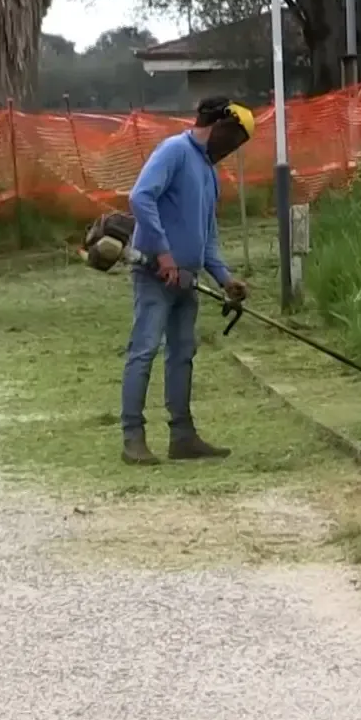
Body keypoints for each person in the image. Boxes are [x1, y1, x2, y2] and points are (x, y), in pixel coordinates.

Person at [119, 96, 254, 465]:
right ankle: (133, 437)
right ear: (220, 126)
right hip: (154, 274)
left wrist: (225, 279)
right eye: (235, 139)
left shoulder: (209, 172)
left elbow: (206, 236)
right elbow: (140, 198)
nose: (233, 149)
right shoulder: (174, 151)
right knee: (144, 350)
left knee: (182, 355)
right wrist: (164, 254)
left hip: (186, 281)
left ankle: (182, 436)